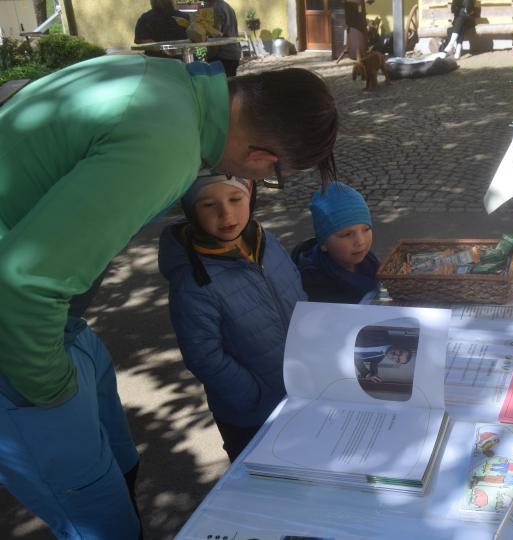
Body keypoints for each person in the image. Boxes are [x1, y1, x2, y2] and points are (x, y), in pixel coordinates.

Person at [0, 54, 337, 537]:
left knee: (117, 465)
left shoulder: (167, 83)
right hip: (18, 333)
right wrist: (53, 393)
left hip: (55, 324)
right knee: (97, 515)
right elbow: (22, 284)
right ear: (265, 159)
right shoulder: (169, 146)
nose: (262, 182)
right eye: (275, 175)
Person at [159, 174, 306, 462]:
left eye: (235, 199)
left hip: (300, 392)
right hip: (252, 415)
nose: (226, 214)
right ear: (191, 211)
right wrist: (254, 396)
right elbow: (204, 356)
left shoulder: (267, 243)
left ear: (250, 196)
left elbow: (298, 292)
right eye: (208, 205)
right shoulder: (193, 281)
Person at [293, 182, 380, 304]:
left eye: (366, 229)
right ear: (324, 243)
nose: (361, 241)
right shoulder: (313, 282)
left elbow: (383, 293)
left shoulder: (370, 261)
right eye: (347, 234)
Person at [205, 0, 242, 76]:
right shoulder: (227, 6)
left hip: (223, 54)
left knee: (221, 85)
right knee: (229, 85)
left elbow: (215, 35)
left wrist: (209, 55)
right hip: (233, 52)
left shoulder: (216, 8)